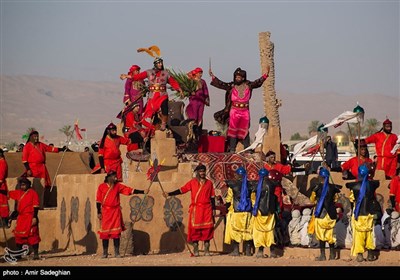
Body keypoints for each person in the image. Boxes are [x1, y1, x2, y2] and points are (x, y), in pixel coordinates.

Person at [209, 66, 270, 152]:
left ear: (243, 78)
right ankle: (232, 149)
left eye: (239, 77)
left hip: (245, 111)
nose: (237, 78)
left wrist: (265, 76)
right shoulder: (232, 85)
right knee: (233, 130)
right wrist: (213, 77)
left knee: (245, 129)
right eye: (236, 77)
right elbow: (221, 84)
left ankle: (247, 148)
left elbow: (257, 83)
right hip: (234, 111)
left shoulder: (248, 85)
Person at [164, 164, 216, 257]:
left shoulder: (209, 183)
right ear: (197, 172)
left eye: (203, 171)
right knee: (195, 230)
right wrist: (169, 194)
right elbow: (182, 190)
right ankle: (196, 250)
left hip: (207, 209)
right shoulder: (192, 182)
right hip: (196, 210)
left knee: (207, 229)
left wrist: (214, 209)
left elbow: (212, 197)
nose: (202, 173)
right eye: (200, 171)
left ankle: (206, 249)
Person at [131, 46, 183, 131]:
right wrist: (127, 76)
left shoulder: (166, 73)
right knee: (149, 113)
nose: (160, 64)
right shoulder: (149, 72)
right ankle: (150, 128)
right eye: (158, 63)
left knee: (164, 108)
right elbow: (137, 77)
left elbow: (173, 82)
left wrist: (179, 88)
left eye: (161, 63)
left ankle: (163, 124)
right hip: (153, 96)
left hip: (163, 95)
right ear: (155, 64)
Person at [96, 171, 145, 258]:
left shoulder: (117, 186)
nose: (116, 178)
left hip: (115, 212)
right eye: (114, 176)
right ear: (109, 177)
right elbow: (98, 200)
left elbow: (129, 190)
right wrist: (98, 212)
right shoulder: (101, 187)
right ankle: (105, 253)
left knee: (116, 233)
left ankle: (117, 252)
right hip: (105, 212)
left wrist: (142, 191)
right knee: (105, 234)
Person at [346, 164, 380, 262]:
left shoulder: (354, 186)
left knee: (358, 235)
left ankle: (360, 255)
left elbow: (352, 199)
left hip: (359, 215)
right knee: (369, 234)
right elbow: (377, 183)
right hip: (369, 214)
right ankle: (370, 255)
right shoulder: (372, 185)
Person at [1, 177, 41, 260]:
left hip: (30, 216)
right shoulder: (19, 193)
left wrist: (35, 217)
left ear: (28, 185)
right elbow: (7, 193)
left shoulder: (33, 193)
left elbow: (36, 206)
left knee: (32, 235)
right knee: (19, 236)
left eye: (24, 185)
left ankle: (36, 254)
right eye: (21, 185)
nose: (22, 186)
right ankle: (18, 254)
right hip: (21, 218)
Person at [309, 168, 342, 261]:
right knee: (330, 235)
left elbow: (312, 199)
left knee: (321, 235)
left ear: (320, 177)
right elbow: (335, 199)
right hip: (331, 214)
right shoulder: (333, 188)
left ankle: (322, 255)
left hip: (321, 214)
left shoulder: (316, 188)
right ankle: (332, 255)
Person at [224, 166, 255, 256]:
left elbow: (229, 200)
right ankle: (248, 251)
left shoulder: (232, 185)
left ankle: (236, 251)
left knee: (235, 231)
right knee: (248, 231)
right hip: (247, 212)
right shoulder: (250, 185)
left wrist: (227, 207)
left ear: (237, 175)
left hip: (236, 212)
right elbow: (253, 199)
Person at [252, 168, 281, 258]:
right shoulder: (272, 184)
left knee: (259, 232)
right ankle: (272, 252)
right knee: (270, 232)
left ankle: (260, 252)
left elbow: (253, 198)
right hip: (270, 212)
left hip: (259, 212)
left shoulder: (256, 185)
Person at [186, 67, 210, 138]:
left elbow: (205, 91)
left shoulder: (203, 82)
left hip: (201, 102)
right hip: (194, 101)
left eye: (201, 73)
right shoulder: (191, 81)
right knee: (194, 116)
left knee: (200, 116)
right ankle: (192, 132)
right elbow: (186, 90)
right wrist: (190, 92)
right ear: (196, 73)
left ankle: (198, 133)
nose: (200, 74)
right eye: (199, 73)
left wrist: (207, 99)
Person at [0, 149, 9, 226]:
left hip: (1, 187)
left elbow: (1, 176)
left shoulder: (2, 162)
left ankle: (4, 222)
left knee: (3, 205)